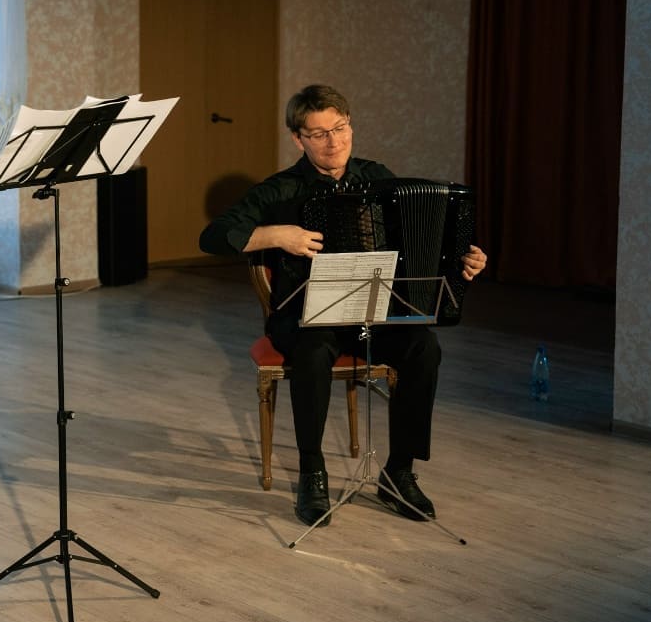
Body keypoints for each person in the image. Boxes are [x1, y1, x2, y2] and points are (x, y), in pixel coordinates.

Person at [199, 84, 487, 528]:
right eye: (319, 134)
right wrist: (277, 235)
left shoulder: (379, 178)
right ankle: (312, 474)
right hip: (304, 317)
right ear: (298, 139)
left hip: (373, 311)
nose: (334, 142)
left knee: (423, 347)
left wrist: (464, 261)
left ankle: (399, 472)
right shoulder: (279, 191)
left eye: (340, 128)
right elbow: (212, 237)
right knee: (313, 352)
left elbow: (419, 244)